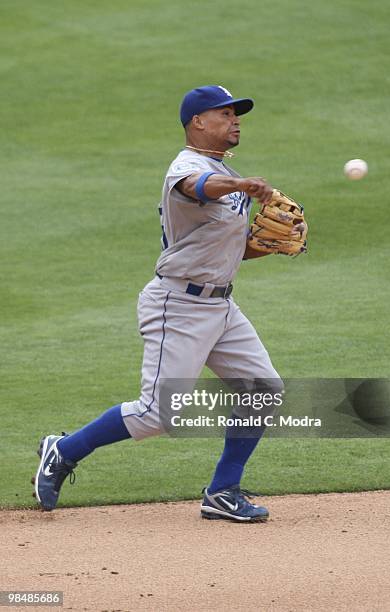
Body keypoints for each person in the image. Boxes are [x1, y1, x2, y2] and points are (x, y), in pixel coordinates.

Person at [33, 85, 284, 522]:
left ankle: (222, 491)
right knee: (156, 415)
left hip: (222, 308)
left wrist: (271, 246)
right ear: (197, 122)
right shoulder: (186, 168)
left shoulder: (223, 172)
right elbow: (198, 187)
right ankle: (64, 449)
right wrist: (242, 183)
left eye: (236, 114)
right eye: (224, 114)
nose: (235, 120)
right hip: (178, 306)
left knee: (264, 391)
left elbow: (228, 248)